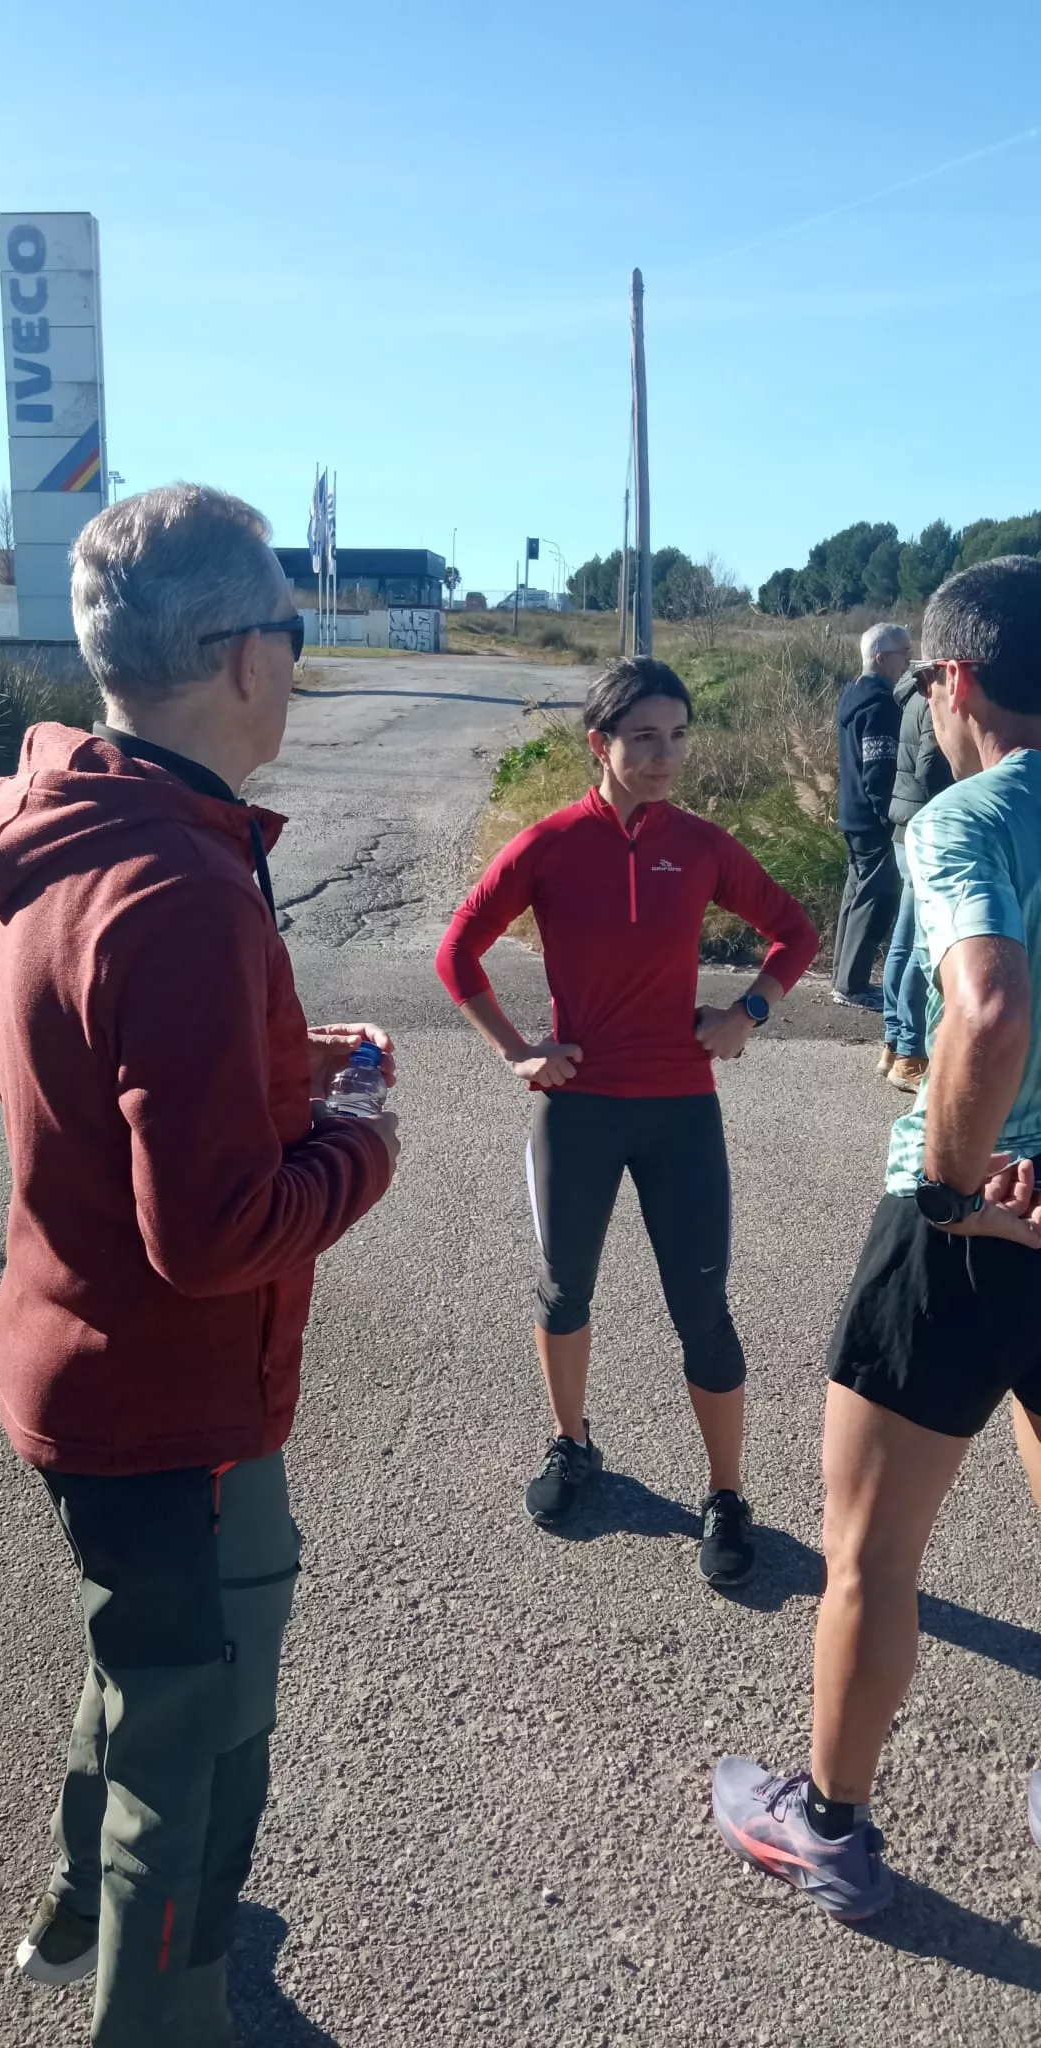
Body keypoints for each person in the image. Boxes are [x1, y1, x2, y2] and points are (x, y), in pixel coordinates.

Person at [0, 485, 399, 2046]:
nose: (296, 658)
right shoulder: (187, 885)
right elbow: (213, 1234)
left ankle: (76, 1912)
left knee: (135, 1658)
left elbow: (103, 1058)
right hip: (175, 1404)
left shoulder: (55, 809)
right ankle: (162, 2007)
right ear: (236, 656)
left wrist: (285, 1056)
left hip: (66, 1360)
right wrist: (357, 1142)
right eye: (291, 632)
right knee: (198, 1748)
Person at [712, 555, 1041, 1921]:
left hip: (964, 1225)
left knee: (871, 1553)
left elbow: (989, 1004)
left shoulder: (967, 816)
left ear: (953, 684)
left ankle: (829, 1826)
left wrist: (958, 1190)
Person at [435, 658, 818, 1588]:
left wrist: (746, 1015)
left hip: (682, 1110)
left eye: (678, 735)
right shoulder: (550, 845)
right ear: (599, 744)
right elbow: (458, 953)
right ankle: (574, 1447)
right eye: (644, 736)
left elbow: (795, 932)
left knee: (704, 1312)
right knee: (564, 1293)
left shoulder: (702, 844)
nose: (664, 755)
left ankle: (726, 1495)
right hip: (579, 1112)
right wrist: (518, 1051)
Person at [879, 663, 953, 1091]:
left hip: (902, 824)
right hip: (924, 822)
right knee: (918, 944)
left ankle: (892, 1041)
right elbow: (929, 763)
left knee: (903, 938)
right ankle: (909, 1053)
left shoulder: (908, 693)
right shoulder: (932, 697)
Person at [831, 622, 909, 1011]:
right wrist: (889, 814)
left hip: (851, 811)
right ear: (881, 658)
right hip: (873, 816)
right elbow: (878, 768)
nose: (907, 661)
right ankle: (853, 984)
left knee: (854, 896)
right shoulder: (880, 704)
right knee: (873, 899)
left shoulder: (853, 695)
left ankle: (842, 978)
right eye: (902, 654)